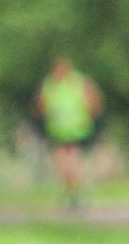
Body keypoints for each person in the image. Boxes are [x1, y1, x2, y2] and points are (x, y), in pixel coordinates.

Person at [35, 58, 102, 209]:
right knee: (64, 165)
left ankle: (75, 194)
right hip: (58, 131)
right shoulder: (50, 85)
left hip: (75, 130)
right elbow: (40, 105)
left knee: (71, 163)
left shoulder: (78, 82)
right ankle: (72, 193)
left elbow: (94, 100)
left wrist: (88, 115)